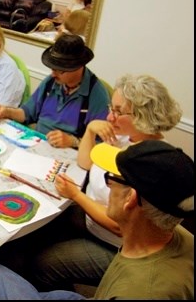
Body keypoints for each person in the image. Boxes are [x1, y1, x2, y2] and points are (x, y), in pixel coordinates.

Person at [0, 140, 194, 300]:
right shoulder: (169, 232)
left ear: (131, 199)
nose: (107, 186)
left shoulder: (140, 291)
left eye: (111, 178)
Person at [28, 74, 183, 291]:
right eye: (112, 107)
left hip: (115, 245)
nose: (110, 116)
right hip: (91, 218)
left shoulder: (150, 163)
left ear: (142, 116)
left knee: (42, 264)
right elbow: (85, 163)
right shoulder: (125, 137)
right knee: (40, 223)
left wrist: (76, 195)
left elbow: (118, 226)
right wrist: (91, 128)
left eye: (118, 111)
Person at [0, 34, 110, 148]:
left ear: (78, 68)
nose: (53, 74)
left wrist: (72, 141)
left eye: (59, 70)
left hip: (68, 155)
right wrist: (7, 112)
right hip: (36, 144)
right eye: (52, 68)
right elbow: (27, 113)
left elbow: (103, 144)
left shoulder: (96, 95)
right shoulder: (52, 82)